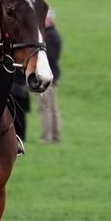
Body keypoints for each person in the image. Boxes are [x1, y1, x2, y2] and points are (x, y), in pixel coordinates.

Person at [37, 9, 63, 143]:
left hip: (47, 76)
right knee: (53, 108)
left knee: (46, 108)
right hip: (53, 75)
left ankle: (47, 137)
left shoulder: (49, 36)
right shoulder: (53, 34)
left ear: (49, 20)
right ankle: (56, 135)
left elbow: (49, 57)